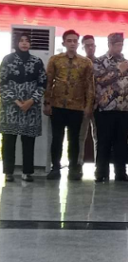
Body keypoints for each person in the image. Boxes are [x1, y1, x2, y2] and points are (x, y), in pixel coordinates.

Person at [44, 29, 95, 181]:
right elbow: (48, 82)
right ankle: (55, 168)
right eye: (69, 41)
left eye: (75, 41)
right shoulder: (55, 60)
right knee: (57, 138)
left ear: (78, 44)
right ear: (64, 43)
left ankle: (73, 168)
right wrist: (47, 102)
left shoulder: (86, 62)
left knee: (74, 139)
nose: (72, 43)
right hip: (57, 105)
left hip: (77, 106)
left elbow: (89, 86)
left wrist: (88, 106)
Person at [93, 32, 128, 182]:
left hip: (125, 108)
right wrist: (118, 71)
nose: (120, 48)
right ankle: (101, 173)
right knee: (104, 141)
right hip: (106, 108)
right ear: (110, 45)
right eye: (117, 45)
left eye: (121, 45)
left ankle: (120, 173)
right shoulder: (99, 61)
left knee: (121, 142)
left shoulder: (126, 61)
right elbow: (100, 80)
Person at [0, 33, 47, 183]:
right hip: (11, 108)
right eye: (21, 40)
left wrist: (31, 100)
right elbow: (2, 82)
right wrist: (17, 101)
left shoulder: (37, 61)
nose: (24, 43)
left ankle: (27, 172)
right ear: (16, 43)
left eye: (27, 41)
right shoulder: (7, 59)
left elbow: (42, 83)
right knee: (8, 140)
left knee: (28, 140)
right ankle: (9, 172)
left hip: (31, 108)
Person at [78, 34, 98, 169]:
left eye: (92, 45)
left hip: (98, 105)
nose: (90, 47)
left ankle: (99, 166)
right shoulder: (79, 63)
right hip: (81, 105)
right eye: (87, 45)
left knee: (98, 137)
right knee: (80, 137)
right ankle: (77, 164)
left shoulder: (102, 63)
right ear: (83, 47)